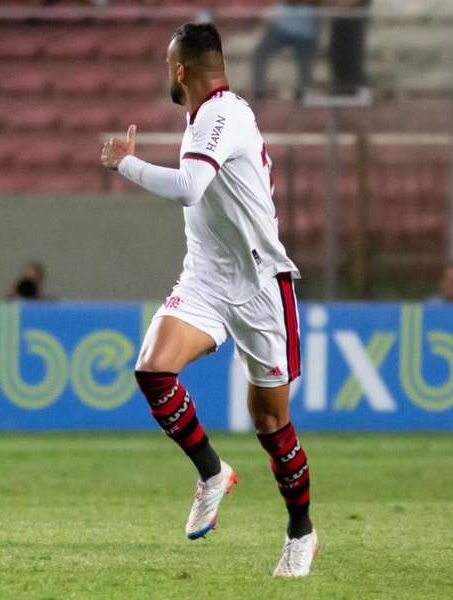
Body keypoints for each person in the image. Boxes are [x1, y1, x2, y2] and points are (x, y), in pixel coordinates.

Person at [101, 23, 316, 577]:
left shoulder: (222, 114)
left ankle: (301, 531)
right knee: (153, 370)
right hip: (206, 280)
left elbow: (192, 187)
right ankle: (213, 472)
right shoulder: (202, 117)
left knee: (270, 422)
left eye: (166, 66)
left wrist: (126, 163)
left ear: (180, 70)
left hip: (261, 285)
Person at [251, 1, 321, 102]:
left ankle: (301, 92)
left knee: (305, 61)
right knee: (259, 54)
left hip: (306, 34)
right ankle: (259, 91)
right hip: (282, 30)